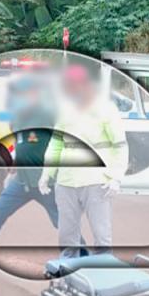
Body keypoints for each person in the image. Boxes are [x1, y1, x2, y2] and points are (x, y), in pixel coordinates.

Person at [41, 65, 126, 258]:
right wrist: (47, 174)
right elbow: (56, 144)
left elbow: (120, 146)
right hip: (66, 181)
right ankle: (68, 277)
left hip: (97, 182)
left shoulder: (106, 109)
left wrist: (116, 178)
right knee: (67, 235)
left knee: (101, 235)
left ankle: (103, 279)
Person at [0, 75, 60, 259]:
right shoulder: (17, 117)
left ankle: (85, 258)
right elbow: (19, 141)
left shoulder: (48, 113)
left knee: (63, 224)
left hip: (46, 184)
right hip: (21, 182)